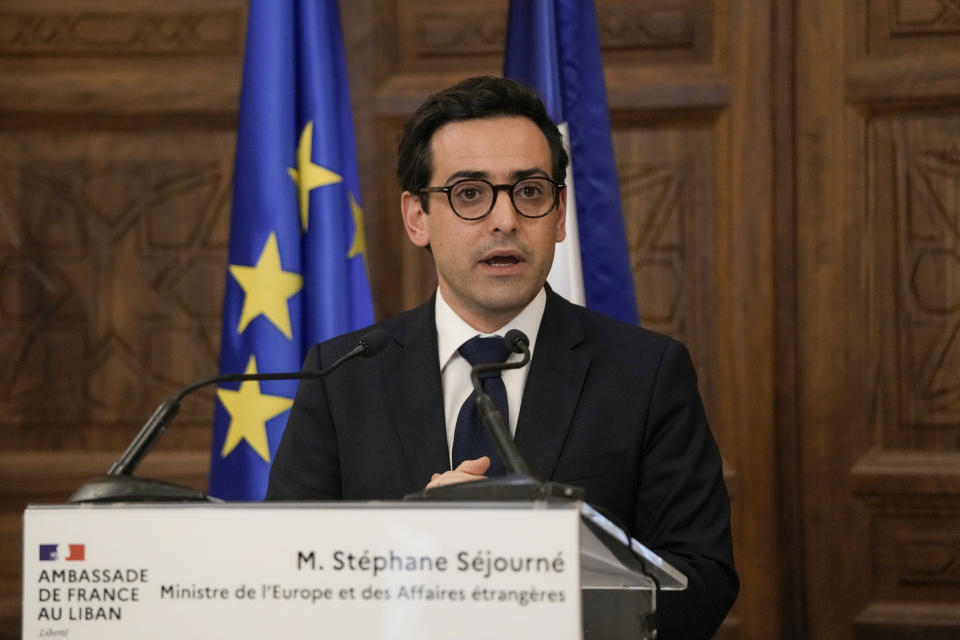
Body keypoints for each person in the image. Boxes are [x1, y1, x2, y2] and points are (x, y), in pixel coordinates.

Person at [267, 76, 738, 638]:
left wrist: (523, 570)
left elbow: (701, 583)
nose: (505, 219)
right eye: (469, 193)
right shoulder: (343, 374)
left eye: (530, 192)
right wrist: (412, 549)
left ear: (559, 214)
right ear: (416, 216)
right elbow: (285, 579)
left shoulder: (646, 373)